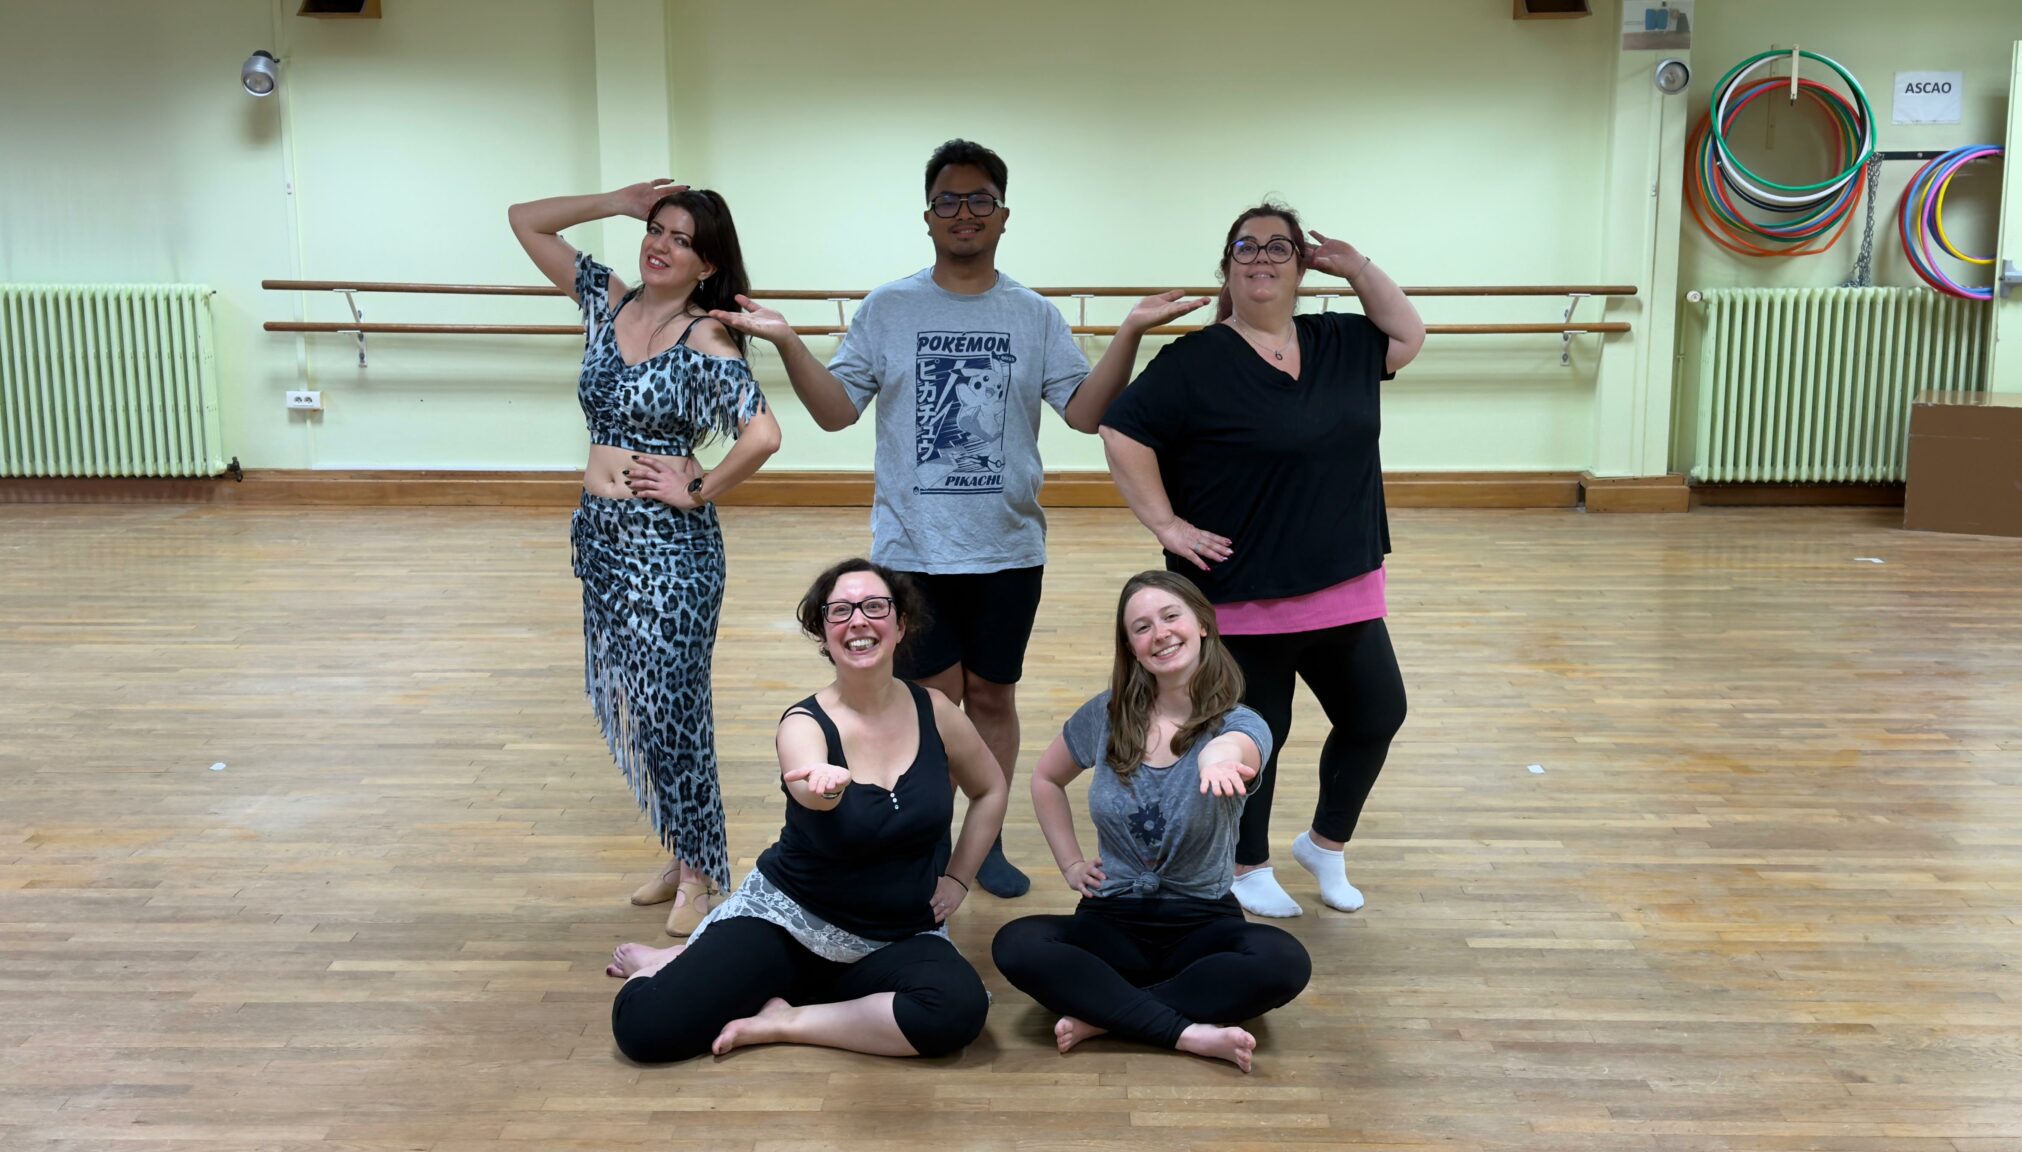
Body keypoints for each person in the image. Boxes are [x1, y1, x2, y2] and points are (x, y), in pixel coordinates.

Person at [712, 140, 1206, 898]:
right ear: (929, 216)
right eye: (949, 200)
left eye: (980, 200)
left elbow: (1083, 413)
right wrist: (786, 342)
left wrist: (1131, 332)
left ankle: (988, 831)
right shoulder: (889, 308)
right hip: (913, 551)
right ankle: (933, 840)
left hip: (1008, 547)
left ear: (1003, 216)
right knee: (937, 703)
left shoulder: (1033, 315)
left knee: (994, 697)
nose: (964, 212)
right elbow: (837, 412)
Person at [1098, 202, 1425, 918]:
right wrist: (1167, 524)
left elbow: (1409, 335)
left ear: (1302, 266)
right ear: (1227, 267)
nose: (1262, 259)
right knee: (1256, 736)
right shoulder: (1193, 361)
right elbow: (1121, 432)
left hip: (1343, 576)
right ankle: (1247, 864)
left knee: (1377, 713)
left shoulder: (1342, 339)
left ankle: (1326, 845)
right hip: (1240, 590)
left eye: (1280, 247)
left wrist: (1358, 266)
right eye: (1246, 247)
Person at [509, 179, 782, 936]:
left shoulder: (706, 338)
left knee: (675, 710)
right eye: (655, 230)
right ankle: (683, 846)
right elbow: (524, 220)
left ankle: (702, 873)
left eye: (681, 239)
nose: (660, 245)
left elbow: (763, 434)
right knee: (644, 702)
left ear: (707, 264)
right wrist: (617, 202)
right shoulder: (609, 303)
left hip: (671, 551)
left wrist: (698, 487)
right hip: (603, 539)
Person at [606, 558, 1007, 1062]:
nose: (858, 621)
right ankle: (670, 963)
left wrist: (958, 879)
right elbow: (809, 788)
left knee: (958, 1011)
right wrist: (825, 787)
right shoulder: (804, 722)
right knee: (645, 1028)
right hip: (791, 925)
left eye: (874, 607)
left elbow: (990, 788)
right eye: (840, 611)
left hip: (897, 936)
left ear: (901, 624)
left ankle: (785, 1019)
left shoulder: (937, 712)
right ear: (822, 632)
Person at [991, 571, 1310, 1073]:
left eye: (1170, 616)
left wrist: (1216, 760)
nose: (1159, 633)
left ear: (1202, 624)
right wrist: (1071, 864)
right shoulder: (1106, 714)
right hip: (1111, 920)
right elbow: (1046, 779)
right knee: (1016, 944)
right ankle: (1184, 1031)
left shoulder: (1241, 723)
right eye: (1141, 627)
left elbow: (1235, 749)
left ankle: (1108, 1016)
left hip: (1202, 923)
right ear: (1132, 648)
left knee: (1285, 961)